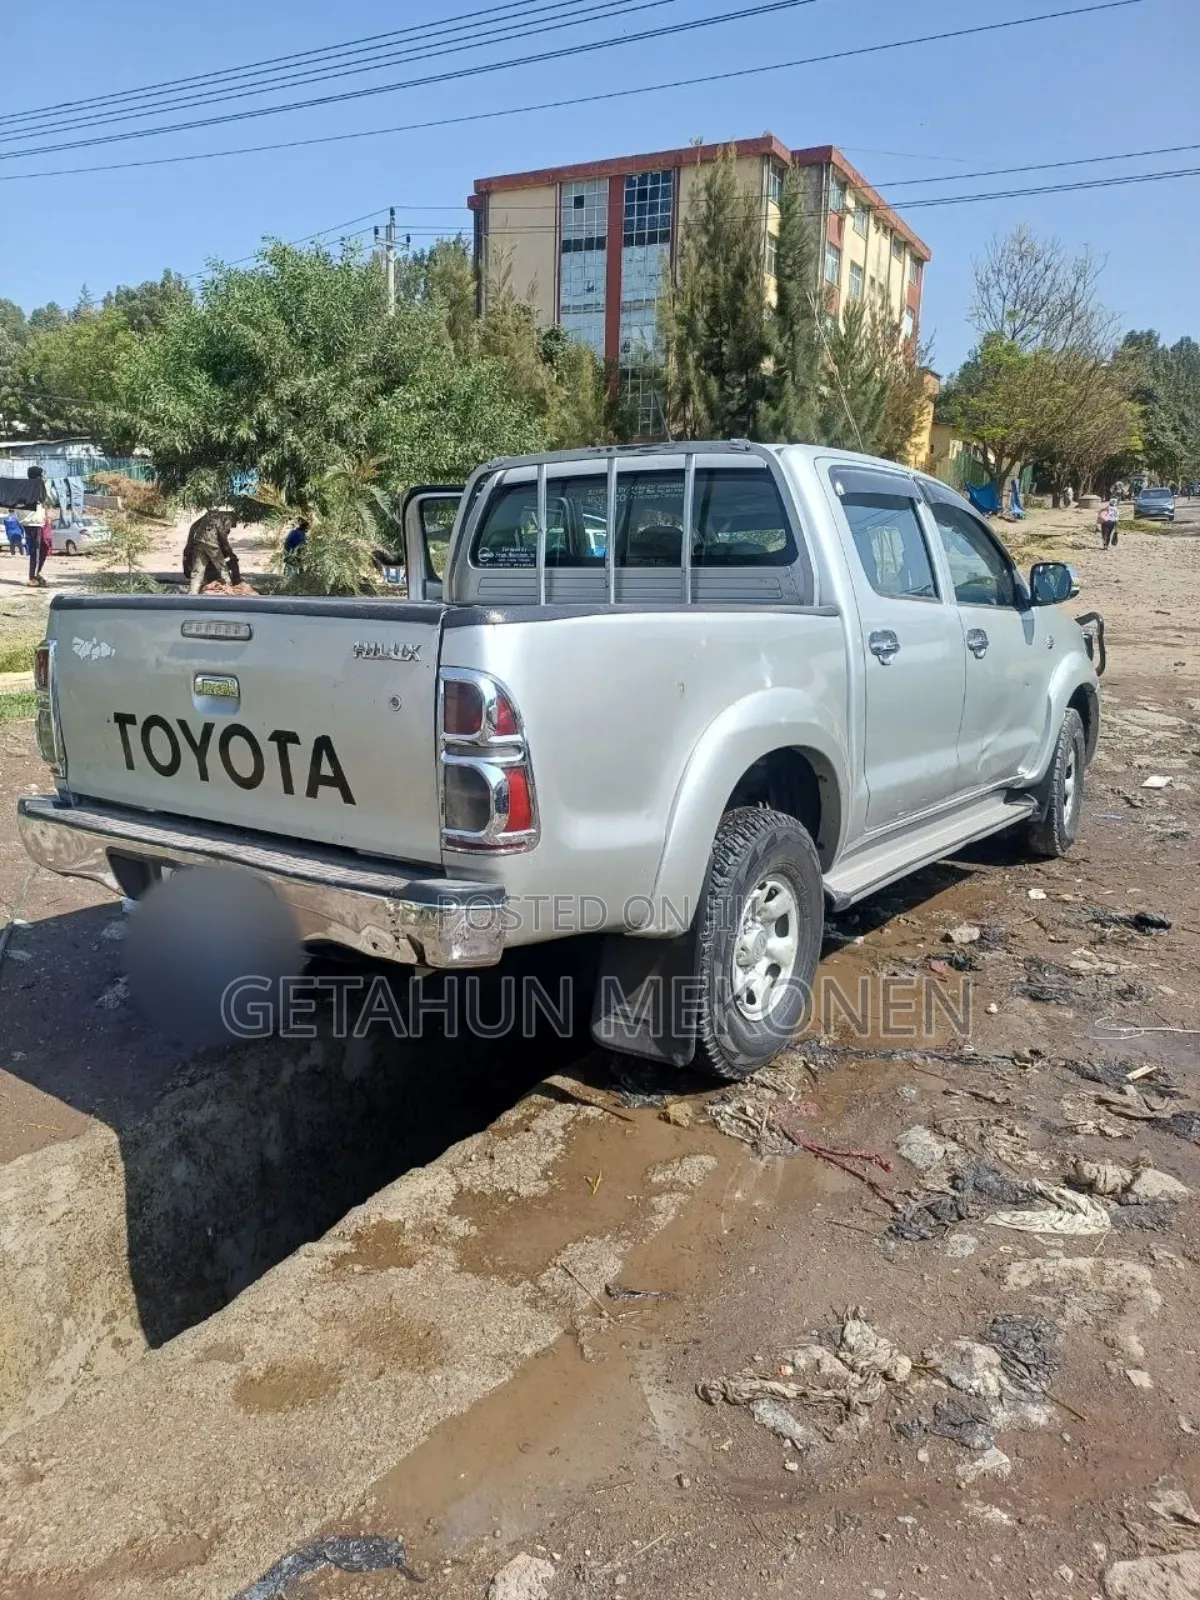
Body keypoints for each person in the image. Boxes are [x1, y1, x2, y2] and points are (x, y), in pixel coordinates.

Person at [183, 510, 241, 594]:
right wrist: (229, 552)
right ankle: (230, 591)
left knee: (197, 573)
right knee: (222, 569)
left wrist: (191, 543)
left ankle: (192, 595)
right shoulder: (228, 517)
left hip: (199, 542)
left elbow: (194, 527)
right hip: (211, 544)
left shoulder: (210, 515)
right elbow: (222, 535)